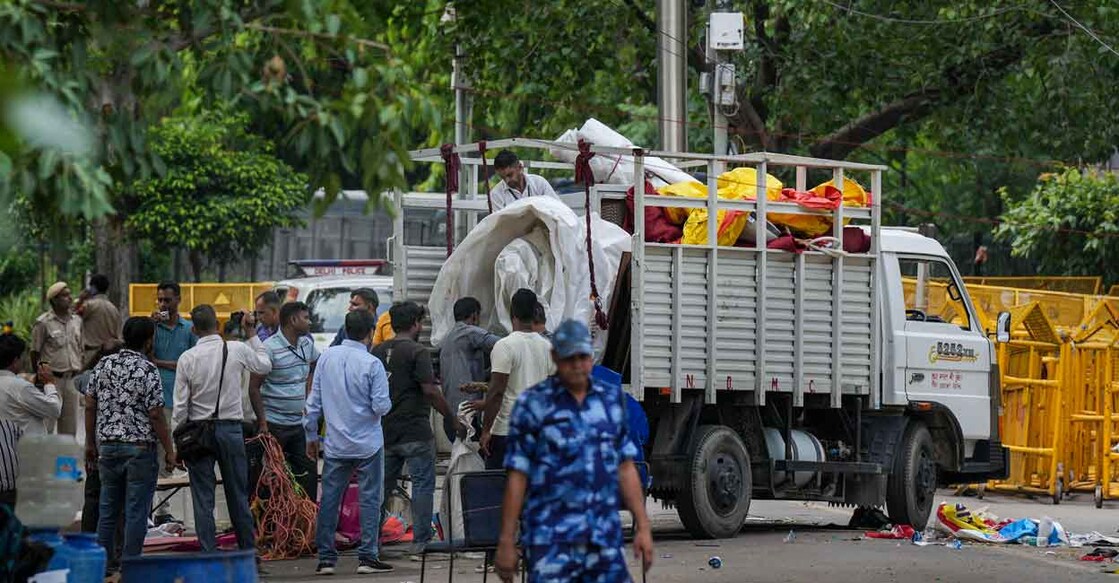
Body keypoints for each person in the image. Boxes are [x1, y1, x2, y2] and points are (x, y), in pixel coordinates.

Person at [495, 320, 654, 582]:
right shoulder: (533, 406)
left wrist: (643, 527)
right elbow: (518, 476)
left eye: (583, 357)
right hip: (551, 540)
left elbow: (625, 468)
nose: (578, 365)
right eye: (570, 358)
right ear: (555, 358)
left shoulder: (610, 402)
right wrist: (506, 540)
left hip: (602, 538)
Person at [173, 305, 271, 552]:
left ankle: (209, 554)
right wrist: (251, 334)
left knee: (203, 498)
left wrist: (177, 443)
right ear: (217, 325)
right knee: (237, 494)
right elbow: (264, 366)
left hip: (197, 433)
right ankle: (248, 552)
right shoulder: (237, 349)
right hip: (230, 430)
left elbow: (180, 407)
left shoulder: (187, 358)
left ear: (194, 329)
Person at [305, 310, 394, 575]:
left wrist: (311, 435)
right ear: (369, 333)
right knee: (370, 499)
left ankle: (326, 559)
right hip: (368, 443)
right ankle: (367, 556)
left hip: (336, 444)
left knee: (330, 498)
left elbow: (313, 404)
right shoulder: (372, 364)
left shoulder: (325, 359)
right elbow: (381, 406)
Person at [372, 302, 463, 559]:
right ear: (415, 324)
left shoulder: (377, 350)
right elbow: (430, 391)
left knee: (381, 488)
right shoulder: (417, 352)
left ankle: (372, 542)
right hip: (415, 431)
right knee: (423, 485)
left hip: (386, 431)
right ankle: (421, 543)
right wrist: (452, 418)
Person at [85, 317, 175, 570]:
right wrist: (169, 450)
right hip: (139, 449)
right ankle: (130, 565)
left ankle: (103, 567)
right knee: (136, 511)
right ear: (148, 341)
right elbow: (156, 414)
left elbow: (90, 405)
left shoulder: (103, 365)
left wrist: (90, 444)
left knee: (108, 510)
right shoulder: (147, 369)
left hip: (108, 447)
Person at [473, 289, 554, 469]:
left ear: (512, 313)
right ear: (535, 312)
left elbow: (496, 392)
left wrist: (486, 431)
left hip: (507, 432)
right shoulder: (548, 347)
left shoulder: (504, 346)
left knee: (501, 491)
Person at [249, 301, 319, 500]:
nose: (309, 322)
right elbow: (253, 388)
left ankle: (306, 523)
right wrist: (262, 423)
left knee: (307, 474)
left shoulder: (307, 344)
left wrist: (309, 391)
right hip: (274, 425)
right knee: (271, 478)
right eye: (305, 318)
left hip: (299, 424)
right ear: (293, 320)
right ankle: (269, 524)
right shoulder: (269, 349)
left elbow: (317, 365)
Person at [149, 281, 196, 524]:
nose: (163, 304)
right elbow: (143, 358)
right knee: (157, 454)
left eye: (168, 300)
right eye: (160, 300)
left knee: (176, 455)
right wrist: (150, 326)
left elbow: (191, 364)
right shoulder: (152, 328)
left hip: (180, 400)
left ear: (178, 300)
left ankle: (163, 510)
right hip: (155, 400)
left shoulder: (188, 329)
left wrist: (161, 363)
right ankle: (160, 509)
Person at [0, 334, 61, 507]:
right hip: (27, 463)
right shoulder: (18, 386)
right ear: (16, 359)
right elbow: (53, 409)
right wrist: (49, 383)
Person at [437, 297, 500, 443]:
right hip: (467, 414)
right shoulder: (470, 332)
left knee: (462, 461)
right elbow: (505, 345)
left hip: (451, 414)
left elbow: (467, 373)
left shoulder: (448, 338)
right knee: (475, 461)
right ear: (474, 315)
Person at [30, 282, 83, 436]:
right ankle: (45, 460)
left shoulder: (77, 321)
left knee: (69, 431)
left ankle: (66, 461)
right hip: (51, 381)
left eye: (69, 294)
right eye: (65, 295)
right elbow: (35, 352)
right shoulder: (43, 322)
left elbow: (80, 348)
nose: (70, 298)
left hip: (72, 380)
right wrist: (41, 378)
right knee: (47, 427)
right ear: (54, 300)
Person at [489, 150, 559, 211]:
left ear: (520, 167)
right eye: (503, 177)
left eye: (509, 175)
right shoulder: (496, 194)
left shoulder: (539, 182)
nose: (507, 181)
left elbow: (557, 207)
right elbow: (499, 223)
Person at [80, 274, 122, 371]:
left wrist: (81, 299)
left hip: (90, 357)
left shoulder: (89, 305)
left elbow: (71, 319)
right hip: (110, 357)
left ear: (93, 288)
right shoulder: (114, 308)